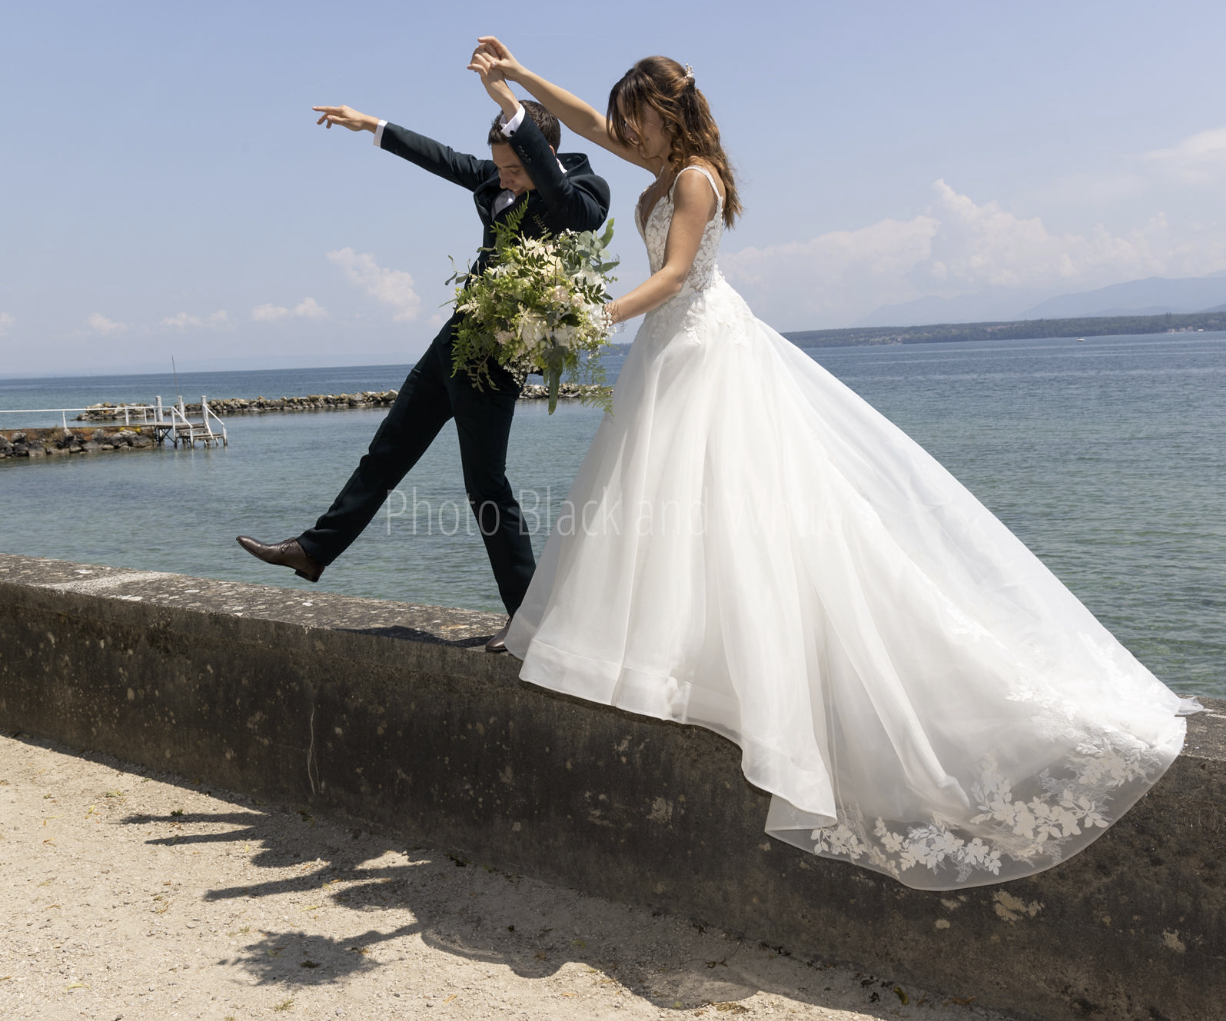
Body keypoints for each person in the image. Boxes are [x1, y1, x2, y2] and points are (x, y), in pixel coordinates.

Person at [468, 38, 1201, 889]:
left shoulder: (695, 178)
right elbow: (589, 126)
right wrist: (518, 77)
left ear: (667, 115)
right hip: (670, 354)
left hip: (702, 348)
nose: (624, 129)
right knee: (678, 514)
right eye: (624, 118)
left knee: (738, 511)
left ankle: (761, 680)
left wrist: (598, 312)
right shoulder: (658, 164)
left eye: (638, 117)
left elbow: (674, 275)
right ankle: (696, 669)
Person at [236, 76, 611, 652]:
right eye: (500, 168)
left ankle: (528, 616)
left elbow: (570, 209)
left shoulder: (585, 188)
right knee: (387, 450)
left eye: (514, 169)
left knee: (486, 485)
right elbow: (441, 158)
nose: (504, 179)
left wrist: (513, 114)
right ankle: (313, 551)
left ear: (545, 152)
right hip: (454, 340)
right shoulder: (496, 176)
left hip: (498, 357)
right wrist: (372, 125)